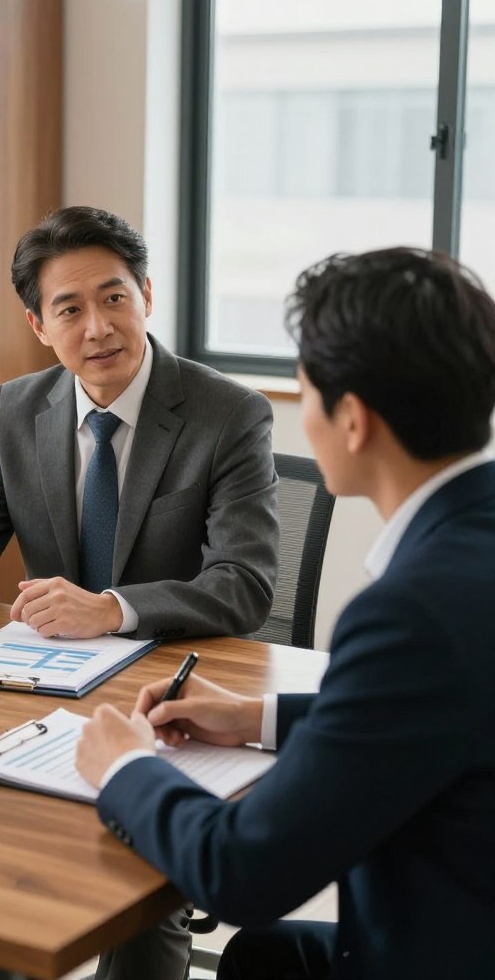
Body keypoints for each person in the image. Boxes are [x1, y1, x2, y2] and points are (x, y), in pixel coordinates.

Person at [0, 206, 280, 979]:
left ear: (148, 294)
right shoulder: (18, 409)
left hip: (168, 703)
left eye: (115, 297)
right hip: (41, 693)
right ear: (38, 324)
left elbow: (244, 585)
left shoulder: (227, 414)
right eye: (70, 309)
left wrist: (113, 608)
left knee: (135, 891)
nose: (98, 327)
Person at [76, 247, 495, 979]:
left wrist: (126, 769)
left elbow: (243, 871)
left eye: (306, 390)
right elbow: (434, 709)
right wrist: (256, 717)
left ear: (354, 421)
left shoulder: (408, 612)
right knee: (266, 960)